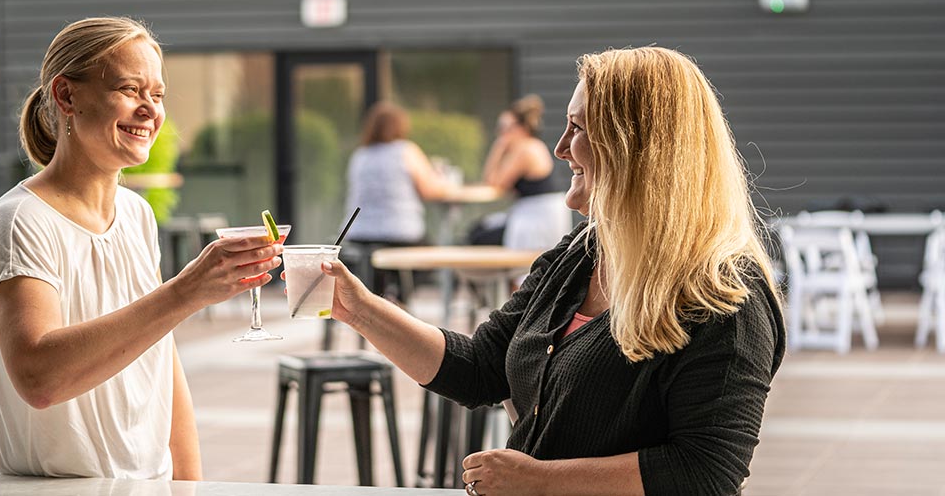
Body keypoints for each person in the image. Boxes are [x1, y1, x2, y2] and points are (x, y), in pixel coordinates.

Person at [316, 47, 785, 496]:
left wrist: (541, 481)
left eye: (576, 128)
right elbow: (479, 368)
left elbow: (705, 473)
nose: (560, 148)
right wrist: (358, 308)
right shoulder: (581, 253)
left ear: (636, 146)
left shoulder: (725, 296)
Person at [0, 17, 283, 479]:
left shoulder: (135, 215)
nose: (149, 110)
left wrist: (189, 486)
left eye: (156, 95)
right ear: (66, 95)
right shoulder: (21, 222)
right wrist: (186, 291)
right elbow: (38, 378)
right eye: (129, 89)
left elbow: (163, 364)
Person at [343, 101, 449, 299]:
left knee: (376, 271)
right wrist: (442, 179)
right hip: (400, 235)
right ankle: (400, 299)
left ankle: (379, 299)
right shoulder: (406, 151)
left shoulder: (360, 156)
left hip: (359, 235)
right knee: (433, 258)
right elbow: (431, 191)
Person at [473, 94, 572, 249]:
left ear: (521, 128)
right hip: (535, 216)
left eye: (505, 128)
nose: (501, 134)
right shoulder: (530, 146)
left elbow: (495, 182)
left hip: (538, 221)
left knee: (479, 237)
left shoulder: (526, 149)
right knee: (480, 230)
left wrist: (498, 148)